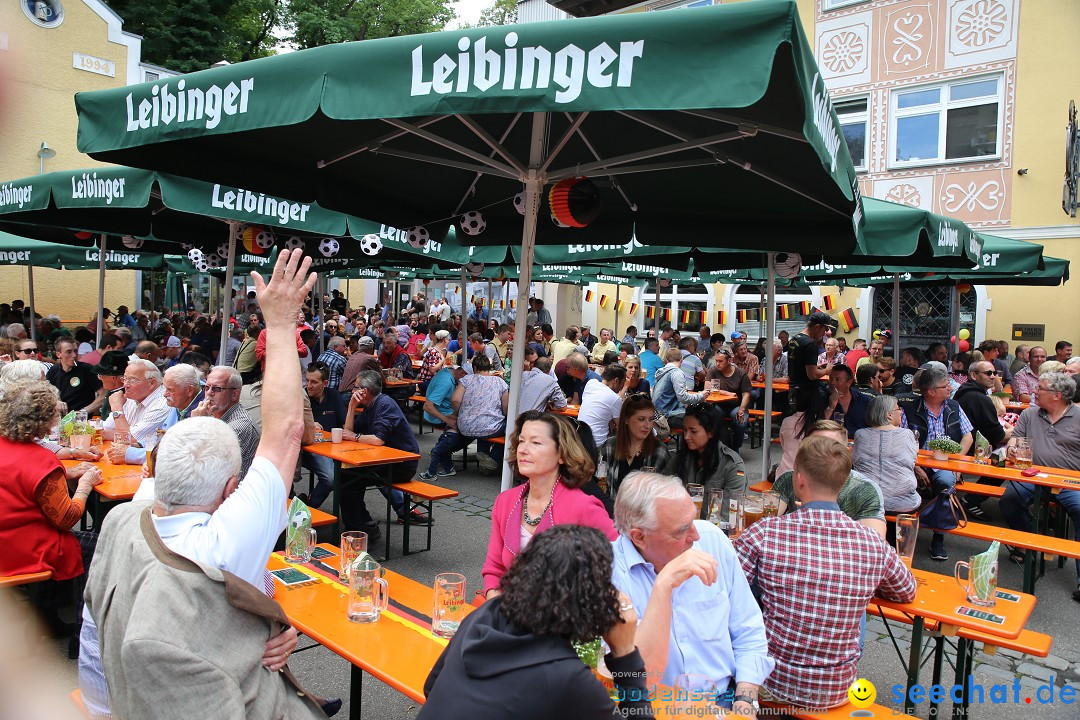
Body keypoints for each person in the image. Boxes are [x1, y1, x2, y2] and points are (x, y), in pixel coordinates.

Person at [82, 249, 326, 720]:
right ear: (230, 487)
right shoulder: (225, 541)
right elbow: (284, 435)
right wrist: (279, 325)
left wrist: (265, 621)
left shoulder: (122, 517)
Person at [736, 436, 916, 708]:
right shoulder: (871, 543)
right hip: (836, 690)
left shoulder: (765, 533)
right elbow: (906, 590)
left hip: (773, 681)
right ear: (843, 482)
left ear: (799, 479)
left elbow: (726, 589)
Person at [422, 525, 651, 720]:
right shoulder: (565, 676)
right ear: (591, 597)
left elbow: (431, 686)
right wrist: (625, 653)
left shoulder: (489, 612)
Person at [611, 471, 772, 709]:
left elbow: (748, 630)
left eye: (693, 521)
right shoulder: (611, 571)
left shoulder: (712, 540)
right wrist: (663, 586)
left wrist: (745, 701)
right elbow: (634, 677)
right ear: (639, 537)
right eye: (681, 530)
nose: (695, 536)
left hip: (723, 700)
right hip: (654, 706)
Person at [0, 380, 103, 640]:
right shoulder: (41, 459)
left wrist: (64, 472)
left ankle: (48, 615)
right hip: (21, 548)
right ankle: (83, 633)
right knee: (100, 544)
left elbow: (16, 479)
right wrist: (85, 485)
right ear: (47, 419)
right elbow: (67, 519)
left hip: (8, 537)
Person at [483, 411, 617, 597]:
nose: (522, 449)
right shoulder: (506, 501)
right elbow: (494, 568)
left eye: (535, 442)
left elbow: (620, 562)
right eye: (521, 441)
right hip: (506, 611)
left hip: (561, 619)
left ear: (561, 454)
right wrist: (495, 609)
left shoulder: (583, 507)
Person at [997, 372, 1080, 601]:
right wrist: (1012, 450)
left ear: (1057, 395)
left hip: (1070, 483)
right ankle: (1027, 545)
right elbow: (1014, 442)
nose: (1035, 391)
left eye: (1040, 388)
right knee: (1009, 500)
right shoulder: (1030, 414)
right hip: (1032, 476)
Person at [342, 370, 431, 539]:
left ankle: (360, 527)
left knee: (348, 479)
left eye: (355, 388)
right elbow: (349, 431)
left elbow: (377, 439)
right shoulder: (370, 406)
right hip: (383, 461)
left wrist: (355, 437)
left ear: (365, 391)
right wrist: (352, 407)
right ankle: (362, 524)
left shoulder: (385, 404)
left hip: (402, 464)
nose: (352, 391)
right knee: (346, 477)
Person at [899, 366, 974, 561]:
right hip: (914, 463)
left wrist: (956, 464)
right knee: (903, 487)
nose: (950, 388)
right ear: (931, 391)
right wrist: (915, 466)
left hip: (946, 464)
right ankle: (903, 540)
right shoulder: (909, 408)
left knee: (946, 483)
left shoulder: (953, 406)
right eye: (945, 386)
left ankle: (938, 536)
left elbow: (968, 437)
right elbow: (901, 441)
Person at [771, 418, 887, 534]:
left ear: (847, 452)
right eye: (814, 448)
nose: (822, 454)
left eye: (832, 448)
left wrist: (816, 512)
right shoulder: (789, 479)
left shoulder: (865, 490)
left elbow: (875, 539)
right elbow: (768, 518)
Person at [107, 364, 205, 465]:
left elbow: (177, 454)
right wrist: (139, 445)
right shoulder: (179, 402)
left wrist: (129, 454)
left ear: (189, 390)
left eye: (170, 390)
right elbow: (162, 436)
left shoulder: (202, 412)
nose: (164, 394)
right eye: (165, 388)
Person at [852, 395, 921, 530]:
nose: (901, 411)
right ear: (889, 415)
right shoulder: (907, 434)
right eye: (898, 409)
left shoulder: (860, 434)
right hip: (902, 503)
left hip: (865, 500)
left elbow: (855, 461)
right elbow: (912, 461)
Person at [190, 366, 261, 478]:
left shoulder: (237, 427)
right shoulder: (212, 415)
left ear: (235, 394)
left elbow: (201, 466)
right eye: (207, 387)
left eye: (217, 389)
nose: (209, 393)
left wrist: (198, 424)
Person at [662, 404, 747, 496]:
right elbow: (664, 491)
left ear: (711, 432)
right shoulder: (680, 457)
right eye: (685, 430)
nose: (686, 437)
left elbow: (731, 507)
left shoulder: (732, 465)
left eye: (693, 431)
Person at [297, 362, 348, 509]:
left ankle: (402, 508)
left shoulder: (334, 395)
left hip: (335, 447)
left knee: (369, 471)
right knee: (331, 478)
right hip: (311, 450)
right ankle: (306, 509)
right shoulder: (302, 397)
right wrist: (310, 425)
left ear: (325, 383)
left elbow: (344, 424)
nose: (309, 385)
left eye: (314, 382)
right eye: (307, 380)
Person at [599, 394, 669, 498]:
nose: (648, 425)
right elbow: (601, 487)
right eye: (641, 419)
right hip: (611, 511)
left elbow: (664, 495)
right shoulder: (609, 447)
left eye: (650, 419)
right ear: (626, 419)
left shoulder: (659, 451)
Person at [101, 358, 171, 455]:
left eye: (133, 380)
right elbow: (107, 427)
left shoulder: (163, 404)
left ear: (152, 383)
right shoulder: (133, 396)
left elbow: (130, 440)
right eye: (124, 379)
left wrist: (117, 408)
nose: (126, 385)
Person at [452, 354, 510, 472]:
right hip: (490, 428)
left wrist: (458, 413)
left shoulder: (466, 380)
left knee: (484, 425)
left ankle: (483, 457)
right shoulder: (500, 382)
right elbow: (506, 407)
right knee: (509, 429)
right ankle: (493, 458)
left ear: (474, 368)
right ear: (489, 368)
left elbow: (455, 399)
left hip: (465, 427)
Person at [418, 364, 469, 480]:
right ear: (462, 374)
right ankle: (442, 453)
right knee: (463, 429)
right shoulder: (445, 383)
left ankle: (447, 463)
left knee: (465, 425)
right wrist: (447, 420)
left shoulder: (449, 371)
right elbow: (427, 406)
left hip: (445, 411)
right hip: (436, 416)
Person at [789, 312, 837, 415]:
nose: (824, 333)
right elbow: (812, 375)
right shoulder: (810, 344)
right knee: (808, 424)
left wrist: (816, 367)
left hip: (793, 389)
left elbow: (799, 363)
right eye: (824, 329)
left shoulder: (794, 339)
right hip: (805, 392)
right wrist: (826, 370)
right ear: (817, 327)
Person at [706, 348, 752, 451]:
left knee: (740, 421)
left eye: (720, 361)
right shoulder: (713, 370)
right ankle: (717, 446)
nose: (717, 364)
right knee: (711, 417)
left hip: (736, 405)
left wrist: (742, 409)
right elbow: (707, 388)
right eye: (716, 361)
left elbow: (746, 395)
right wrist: (727, 393)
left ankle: (735, 447)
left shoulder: (741, 374)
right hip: (719, 405)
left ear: (729, 361)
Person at [47, 337, 104, 415]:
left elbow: (104, 394)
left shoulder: (87, 369)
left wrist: (84, 411)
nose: (74, 355)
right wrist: (56, 402)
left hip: (81, 420)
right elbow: (46, 395)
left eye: (76, 351)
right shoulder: (53, 371)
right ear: (58, 354)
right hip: (59, 419)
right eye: (69, 352)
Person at [651, 348, 705, 429]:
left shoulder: (661, 372)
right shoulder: (677, 373)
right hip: (667, 416)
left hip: (657, 414)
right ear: (682, 360)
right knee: (701, 420)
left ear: (666, 360)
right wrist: (701, 395)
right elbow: (683, 397)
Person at [579, 364, 626, 449]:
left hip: (579, 438)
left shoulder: (591, 383)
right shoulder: (615, 399)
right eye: (623, 382)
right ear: (616, 380)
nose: (623, 386)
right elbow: (621, 427)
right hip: (598, 444)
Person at [824, 364, 871, 438]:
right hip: (832, 444)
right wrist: (830, 407)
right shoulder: (823, 398)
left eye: (837, 379)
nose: (832, 382)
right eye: (831, 378)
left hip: (858, 443)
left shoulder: (864, 400)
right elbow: (819, 427)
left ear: (849, 382)